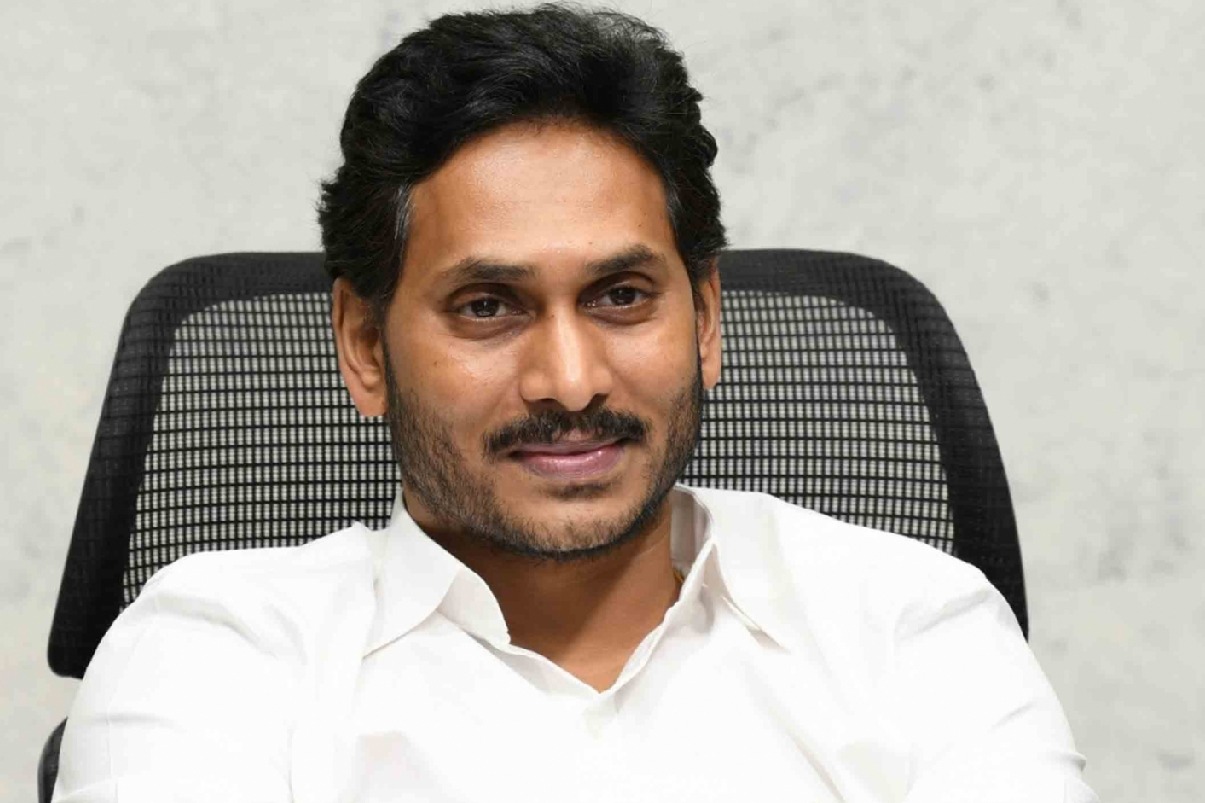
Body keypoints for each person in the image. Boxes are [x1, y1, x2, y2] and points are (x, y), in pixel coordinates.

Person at [53, 5, 1097, 802]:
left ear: (704, 320)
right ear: (365, 346)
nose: (569, 380)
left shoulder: (911, 626)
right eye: (487, 305)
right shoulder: (214, 655)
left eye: (621, 296)